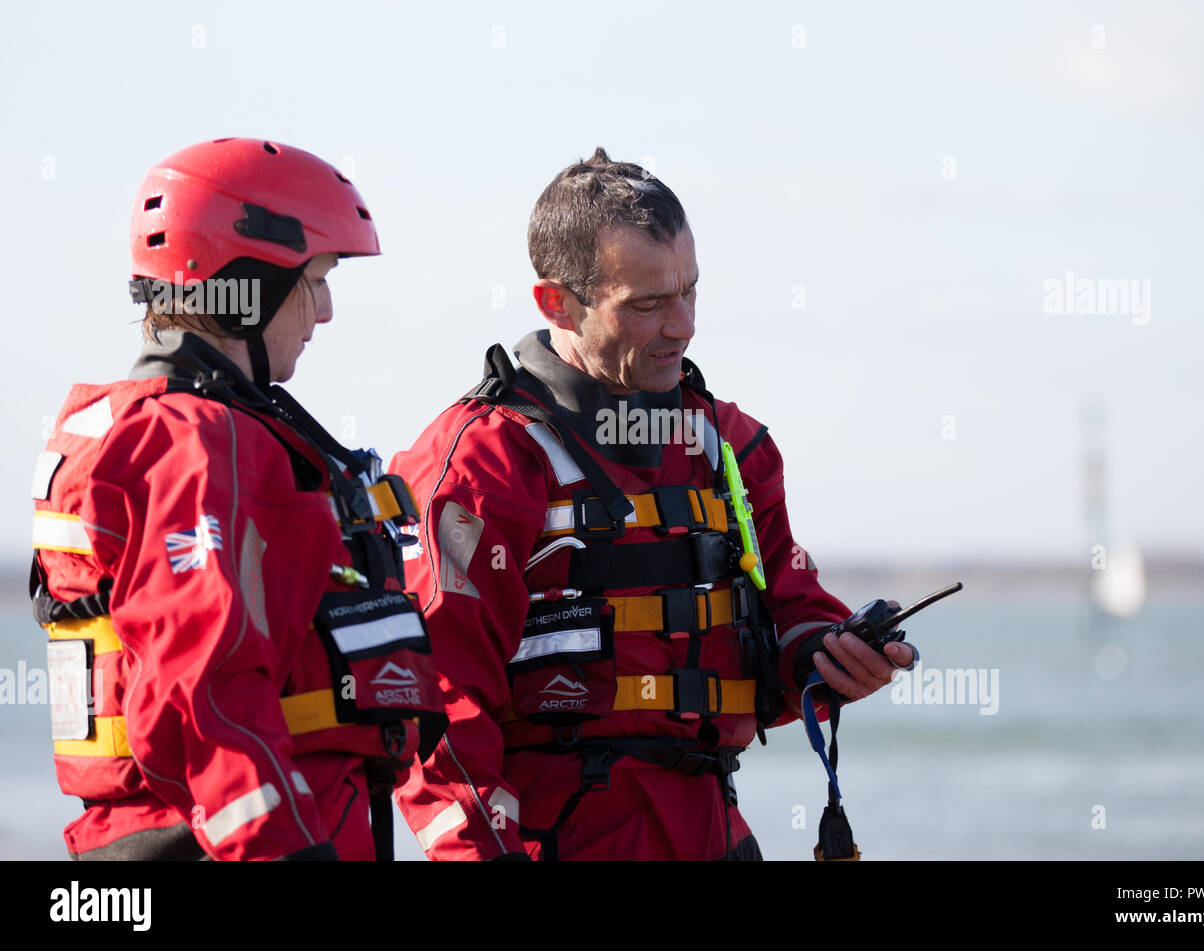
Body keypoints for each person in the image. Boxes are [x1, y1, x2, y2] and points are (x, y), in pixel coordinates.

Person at [390, 148, 916, 861]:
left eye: (689, 292)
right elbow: (436, 710)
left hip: (716, 833)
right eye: (647, 304)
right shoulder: (486, 462)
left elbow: (790, 610)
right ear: (557, 302)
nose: (683, 325)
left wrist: (831, 658)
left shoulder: (730, 445)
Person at [30, 138, 445, 861]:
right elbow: (201, 687)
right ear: (245, 284)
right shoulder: (194, 443)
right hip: (235, 843)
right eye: (316, 279)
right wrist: (278, 850)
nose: (325, 312)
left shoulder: (152, 428)